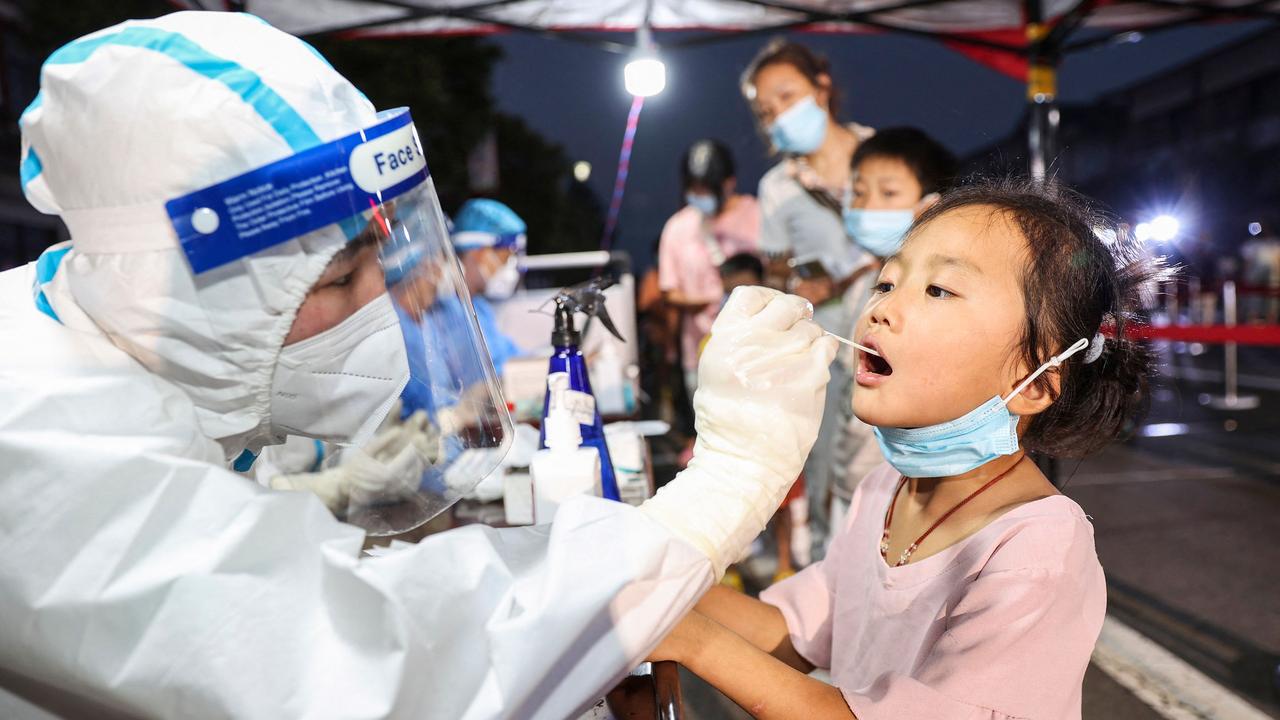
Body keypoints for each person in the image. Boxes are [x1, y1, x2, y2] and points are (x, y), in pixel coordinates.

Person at [0, 13, 839, 718]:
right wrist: (720, 488)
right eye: (337, 277)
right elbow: (368, 673)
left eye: (380, 262)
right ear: (183, 291)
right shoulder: (34, 430)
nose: (381, 306)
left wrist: (317, 491)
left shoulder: (133, 356)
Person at [650, 178, 1165, 719]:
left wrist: (692, 640)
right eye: (887, 283)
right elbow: (797, 632)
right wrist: (635, 568)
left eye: (938, 289)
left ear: (1033, 382)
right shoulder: (884, 490)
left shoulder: (1036, 550)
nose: (881, 310)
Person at [742, 39, 876, 562]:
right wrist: (799, 287)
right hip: (827, 352)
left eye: (786, 96)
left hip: (898, 341)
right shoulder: (777, 188)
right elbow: (779, 280)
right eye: (766, 111)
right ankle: (830, 597)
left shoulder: (881, 152)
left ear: (821, 87)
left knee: (892, 477)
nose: (778, 115)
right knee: (826, 486)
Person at [828, 127, 958, 531]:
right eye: (859, 192)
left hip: (899, 481)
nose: (867, 206)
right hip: (851, 473)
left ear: (927, 208)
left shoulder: (939, 294)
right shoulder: (857, 288)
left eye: (887, 194)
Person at [719, 252, 807, 584]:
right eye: (730, 289)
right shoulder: (720, 326)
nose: (737, 297)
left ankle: (784, 564)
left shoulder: (784, 319)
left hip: (778, 425)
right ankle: (731, 567)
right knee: (733, 499)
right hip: (737, 429)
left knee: (783, 500)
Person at [658, 138, 760, 398]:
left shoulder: (758, 215)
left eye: (707, 189)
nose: (699, 195)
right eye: (694, 188)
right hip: (701, 350)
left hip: (755, 350)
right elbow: (669, 291)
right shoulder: (677, 227)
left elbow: (779, 276)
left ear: (729, 183)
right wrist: (706, 301)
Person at [450, 197, 527, 374]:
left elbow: (514, 358)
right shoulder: (450, 315)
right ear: (478, 253)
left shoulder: (480, 309)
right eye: (505, 258)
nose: (509, 270)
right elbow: (489, 378)